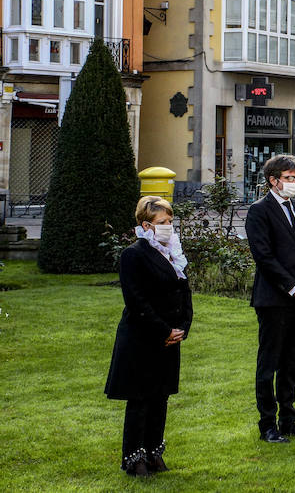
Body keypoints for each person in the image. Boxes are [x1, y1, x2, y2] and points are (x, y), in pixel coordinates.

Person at [105, 196, 192, 476]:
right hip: (142, 336)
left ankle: (155, 452)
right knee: (140, 398)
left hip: (170, 336)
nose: (168, 227)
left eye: (170, 221)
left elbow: (183, 292)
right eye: (162, 223)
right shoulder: (134, 254)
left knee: (160, 396)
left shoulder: (172, 252)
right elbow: (136, 300)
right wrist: (163, 330)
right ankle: (134, 457)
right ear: (146, 225)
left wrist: (181, 328)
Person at [245, 153, 295, 443]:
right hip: (274, 297)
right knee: (270, 362)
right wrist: (292, 286)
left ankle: (289, 419)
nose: (294, 183)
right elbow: (263, 255)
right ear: (273, 181)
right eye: (289, 178)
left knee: (292, 361)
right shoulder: (259, 211)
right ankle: (268, 425)